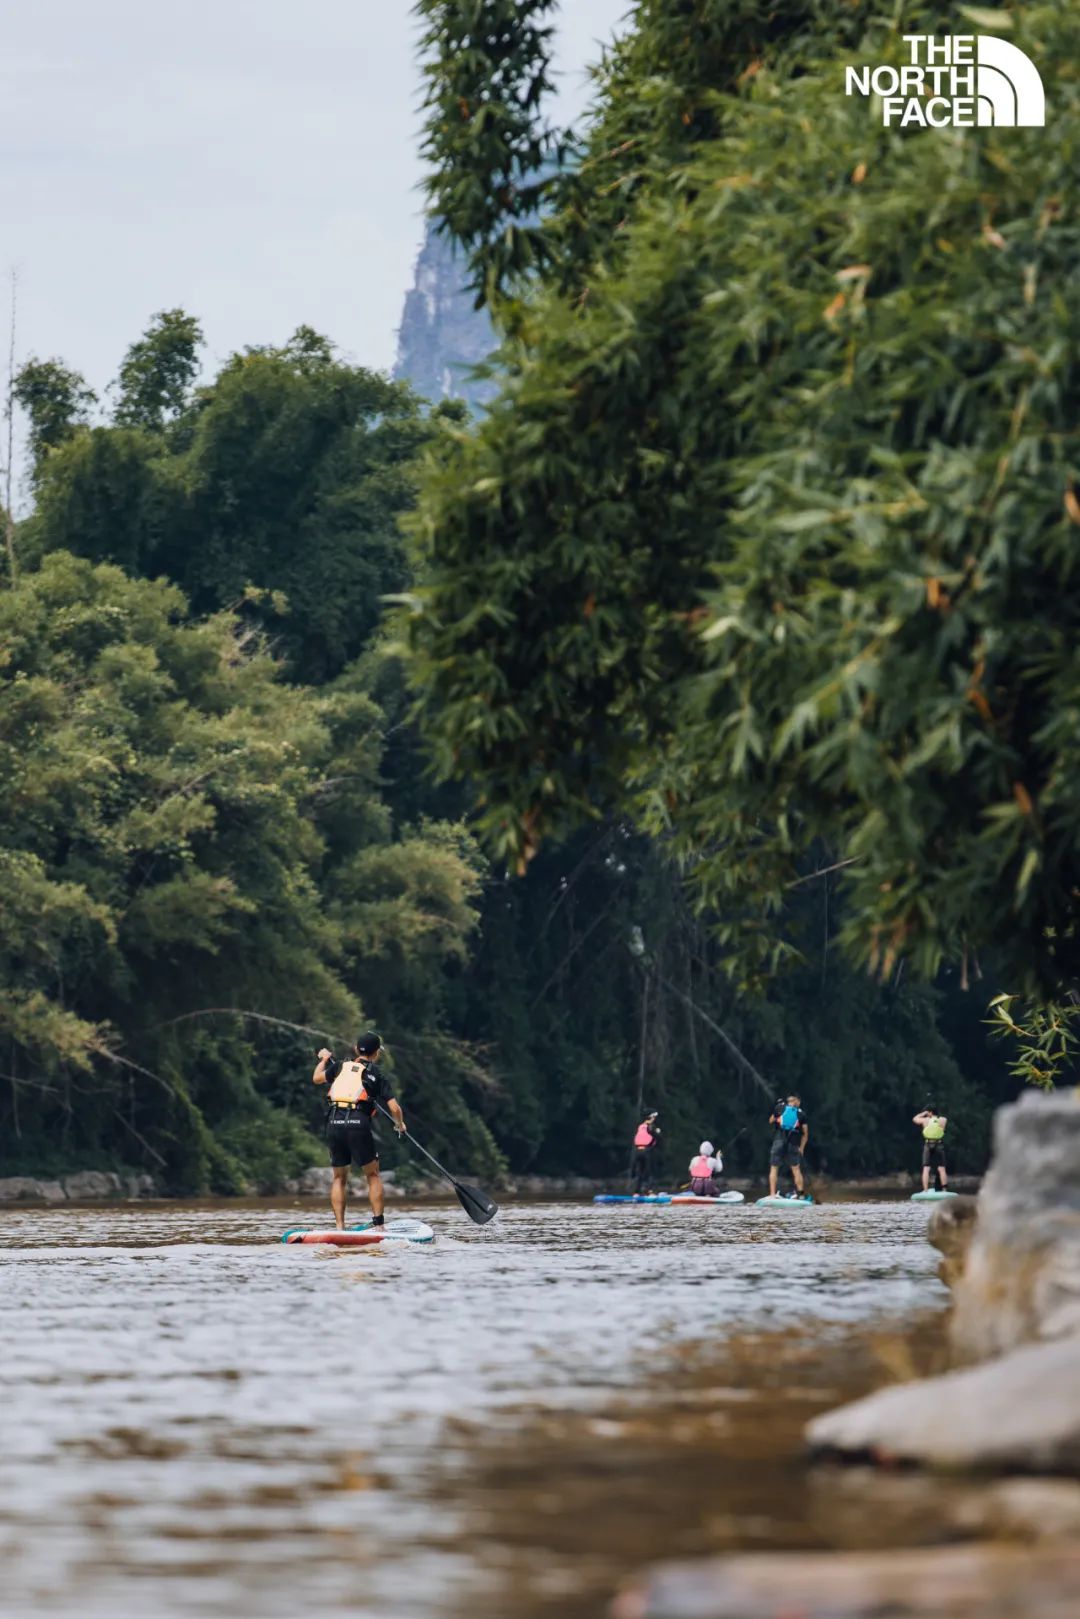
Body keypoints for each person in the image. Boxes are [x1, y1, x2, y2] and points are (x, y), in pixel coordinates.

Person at [313, 1033, 406, 1231]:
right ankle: (379, 1226)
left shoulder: (339, 1067)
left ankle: (340, 1227)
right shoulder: (377, 1074)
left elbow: (316, 1078)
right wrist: (399, 1124)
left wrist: (323, 1060)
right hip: (358, 1124)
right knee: (372, 1175)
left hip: (334, 1122)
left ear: (356, 1049)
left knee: (339, 1178)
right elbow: (395, 1108)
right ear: (377, 1054)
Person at [768, 1095, 808, 1199]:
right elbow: (805, 1134)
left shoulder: (780, 1107)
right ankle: (801, 1195)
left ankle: (772, 1195)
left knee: (774, 1168)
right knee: (796, 1169)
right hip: (793, 1143)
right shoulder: (801, 1113)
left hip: (778, 1140)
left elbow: (771, 1120)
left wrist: (776, 1111)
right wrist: (802, 1148)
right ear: (797, 1102)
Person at [913, 1105, 948, 1192]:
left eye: (927, 1113)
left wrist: (923, 1113)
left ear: (930, 1112)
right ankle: (944, 1190)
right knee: (941, 1168)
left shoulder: (925, 1120)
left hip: (928, 1144)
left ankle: (925, 1190)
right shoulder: (943, 1120)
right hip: (939, 1144)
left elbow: (915, 1119)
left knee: (926, 1168)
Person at [630, 1111, 661, 1193]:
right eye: (653, 1117)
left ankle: (636, 1192)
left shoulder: (640, 1127)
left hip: (638, 1151)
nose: (654, 1119)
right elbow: (656, 1138)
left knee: (640, 1172)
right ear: (650, 1118)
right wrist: (658, 1132)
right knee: (650, 1171)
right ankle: (650, 1191)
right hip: (646, 1151)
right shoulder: (651, 1127)